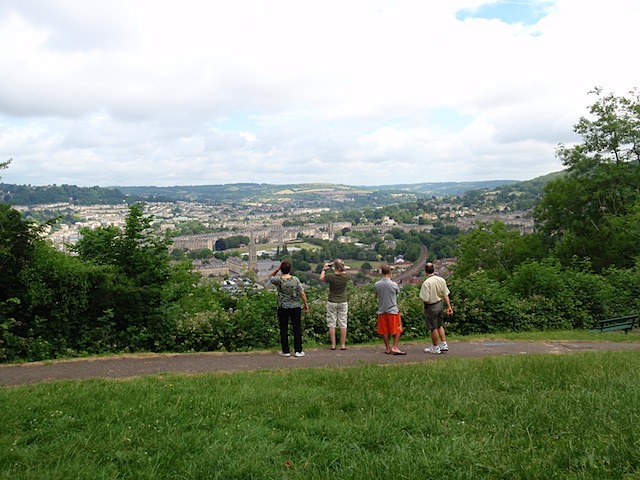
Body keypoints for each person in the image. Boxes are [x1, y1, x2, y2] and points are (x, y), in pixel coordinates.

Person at [268, 259, 309, 358]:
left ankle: (285, 350)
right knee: (297, 328)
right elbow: (302, 292)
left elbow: (270, 277)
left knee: (284, 329)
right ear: (290, 269)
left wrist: (277, 269)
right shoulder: (295, 279)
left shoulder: (279, 280)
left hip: (283, 307)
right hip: (295, 307)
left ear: (282, 270)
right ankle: (298, 350)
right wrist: (306, 304)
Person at [419, 262, 453, 354]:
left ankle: (435, 347)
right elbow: (445, 294)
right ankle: (443, 343)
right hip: (440, 304)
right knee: (439, 325)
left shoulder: (427, 283)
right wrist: (449, 307)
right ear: (433, 269)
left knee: (433, 327)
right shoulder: (441, 280)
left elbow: (425, 299)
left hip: (431, 306)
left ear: (425, 271)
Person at [319, 258, 351, 350]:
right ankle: (343, 345)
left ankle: (333, 345)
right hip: (343, 301)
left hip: (332, 301)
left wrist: (324, 269)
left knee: (332, 323)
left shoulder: (330, 277)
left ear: (334, 267)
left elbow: (321, 278)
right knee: (343, 323)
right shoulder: (346, 277)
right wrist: (341, 266)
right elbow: (346, 273)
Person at [374, 264, 406, 355]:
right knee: (397, 329)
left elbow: (376, 295)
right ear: (390, 272)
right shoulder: (393, 284)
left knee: (384, 331)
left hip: (381, 310)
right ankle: (395, 347)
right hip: (392, 310)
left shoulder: (377, 284)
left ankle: (387, 348)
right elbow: (397, 293)